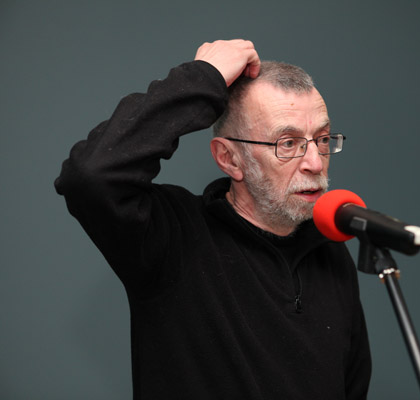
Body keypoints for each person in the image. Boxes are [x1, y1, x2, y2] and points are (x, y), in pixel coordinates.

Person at [55, 39, 371, 400]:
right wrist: (202, 78)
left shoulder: (330, 253)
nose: (315, 162)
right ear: (229, 159)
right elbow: (91, 176)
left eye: (323, 139)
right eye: (287, 143)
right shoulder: (173, 236)